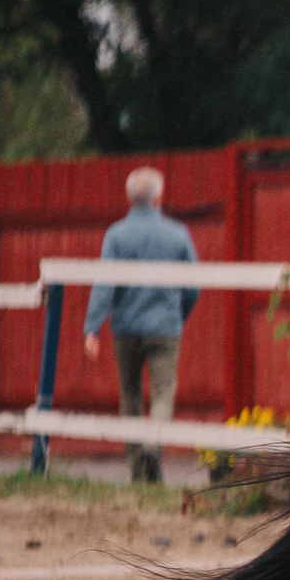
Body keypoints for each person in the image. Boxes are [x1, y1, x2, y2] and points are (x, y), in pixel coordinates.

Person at [82, 167, 201, 484]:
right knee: (164, 392)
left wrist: (92, 327)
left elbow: (105, 282)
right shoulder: (177, 234)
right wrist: (179, 316)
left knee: (130, 394)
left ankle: (137, 468)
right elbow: (194, 285)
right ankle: (153, 447)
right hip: (164, 327)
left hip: (125, 328)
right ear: (160, 196)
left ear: (129, 197)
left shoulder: (116, 235)